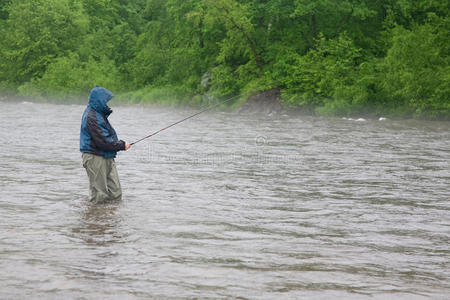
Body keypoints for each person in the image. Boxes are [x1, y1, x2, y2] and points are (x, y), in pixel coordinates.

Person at [80, 87, 130, 203]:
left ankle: (110, 219)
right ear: (99, 100)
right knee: (99, 196)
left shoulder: (98, 114)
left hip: (106, 156)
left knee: (116, 194)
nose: (107, 103)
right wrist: (122, 145)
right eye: (105, 100)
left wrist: (119, 145)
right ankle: (95, 219)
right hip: (95, 157)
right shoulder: (91, 117)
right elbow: (103, 142)